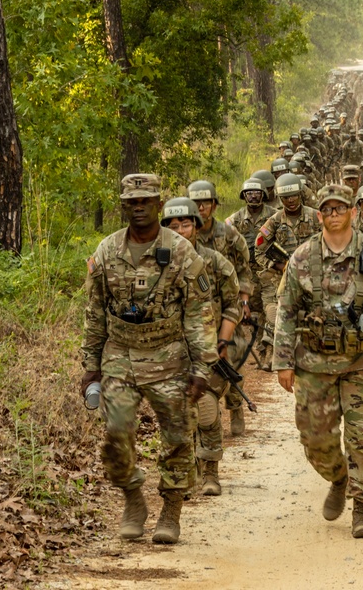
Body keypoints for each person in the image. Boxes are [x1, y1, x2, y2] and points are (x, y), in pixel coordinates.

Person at [273, 184, 363, 539]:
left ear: (353, 213)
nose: (335, 214)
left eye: (341, 208)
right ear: (319, 215)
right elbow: (286, 310)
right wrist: (282, 361)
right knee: (315, 439)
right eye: (328, 209)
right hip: (314, 363)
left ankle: (362, 509)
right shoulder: (302, 258)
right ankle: (338, 478)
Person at [80, 174, 217, 544]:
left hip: (169, 356)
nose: (139, 207)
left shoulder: (181, 250)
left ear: (158, 204)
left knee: (177, 438)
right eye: (131, 202)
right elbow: (95, 312)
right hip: (119, 356)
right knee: (115, 435)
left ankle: (171, 511)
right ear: (123, 206)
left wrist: (202, 367)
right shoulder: (107, 251)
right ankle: (132, 499)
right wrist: (90, 365)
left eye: (146, 200)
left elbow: (199, 311)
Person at [160, 197, 241, 496]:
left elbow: (234, 304)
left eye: (185, 223)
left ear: (196, 225)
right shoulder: (158, 263)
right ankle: (185, 471)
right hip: (169, 351)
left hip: (208, 350)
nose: (180, 230)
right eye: (173, 225)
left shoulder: (215, 262)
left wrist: (223, 338)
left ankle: (211, 471)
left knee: (206, 411)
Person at [187, 180, 254, 435]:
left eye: (205, 202)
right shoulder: (179, 235)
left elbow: (243, 270)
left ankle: (235, 406)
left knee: (231, 360)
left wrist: (244, 301)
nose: (201, 207)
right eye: (195, 203)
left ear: (214, 204)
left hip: (226, 304)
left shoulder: (228, 234)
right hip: (195, 315)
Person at [255, 173, 321, 371]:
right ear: (279, 198)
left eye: (294, 196)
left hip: (314, 276)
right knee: (275, 314)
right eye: (285, 198)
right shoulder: (273, 222)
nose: (290, 201)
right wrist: (277, 266)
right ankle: (270, 355)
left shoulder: (315, 216)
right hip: (283, 279)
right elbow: (258, 252)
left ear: (300, 194)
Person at [226, 177, 277, 338]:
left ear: (263, 194)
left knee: (270, 309)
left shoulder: (274, 216)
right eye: (249, 193)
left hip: (269, 271)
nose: (253, 196)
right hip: (246, 273)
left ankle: (266, 350)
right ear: (244, 196)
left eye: (257, 192)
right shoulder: (235, 219)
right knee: (248, 310)